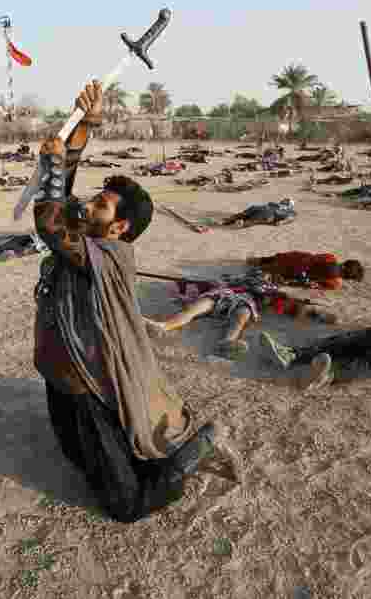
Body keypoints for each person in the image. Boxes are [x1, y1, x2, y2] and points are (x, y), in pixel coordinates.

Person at [32, 80, 237, 523]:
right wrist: (82, 129)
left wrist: (49, 167)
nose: (88, 207)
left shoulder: (109, 253)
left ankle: (188, 456)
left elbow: (49, 221)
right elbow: (61, 200)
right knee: (74, 458)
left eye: (101, 205)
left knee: (125, 504)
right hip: (58, 372)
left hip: (88, 382)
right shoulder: (87, 236)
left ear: (120, 227)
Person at [143, 268, 338, 359]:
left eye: (268, 277)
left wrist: (319, 314)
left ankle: (226, 343)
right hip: (223, 295)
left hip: (247, 303)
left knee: (240, 318)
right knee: (195, 308)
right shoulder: (236, 280)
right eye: (263, 275)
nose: (264, 276)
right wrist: (186, 285)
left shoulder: (273, 292)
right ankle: (163, 326)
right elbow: (207, 283)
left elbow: (291, 307)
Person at [245, 251, 364, 290]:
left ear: (344, 263)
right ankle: (261, 268)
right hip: (288, 275)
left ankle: (259, 261)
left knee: (269, 261)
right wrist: (291, 282)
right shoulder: (335, 283)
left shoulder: (330, 257)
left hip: (289, 260)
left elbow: (308, 259)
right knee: (265, 271)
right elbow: (310, 285)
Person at [219, 198, 296, 227]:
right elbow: (289, 218)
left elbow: (290, 218)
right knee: (250, 214)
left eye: (286, 201)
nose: (283, 201)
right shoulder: (274, 204)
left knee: (254, 218)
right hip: (264, 211)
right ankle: (230, 221)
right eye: (284, 200)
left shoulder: (289, 211)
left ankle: (239, 222)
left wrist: (282, 222)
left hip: (268, 213)